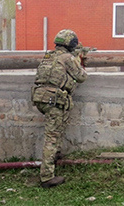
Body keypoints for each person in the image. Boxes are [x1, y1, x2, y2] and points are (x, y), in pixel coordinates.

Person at [31, 29, 88, 188]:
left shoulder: (49, 55)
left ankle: (55, 156)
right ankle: (47, 177)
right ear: (71, 44)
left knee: (57, 129)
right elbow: (81, 77)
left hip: (40, 97)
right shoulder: (68, 58)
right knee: (52, 136)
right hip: (54, 100)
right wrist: (80, 61)